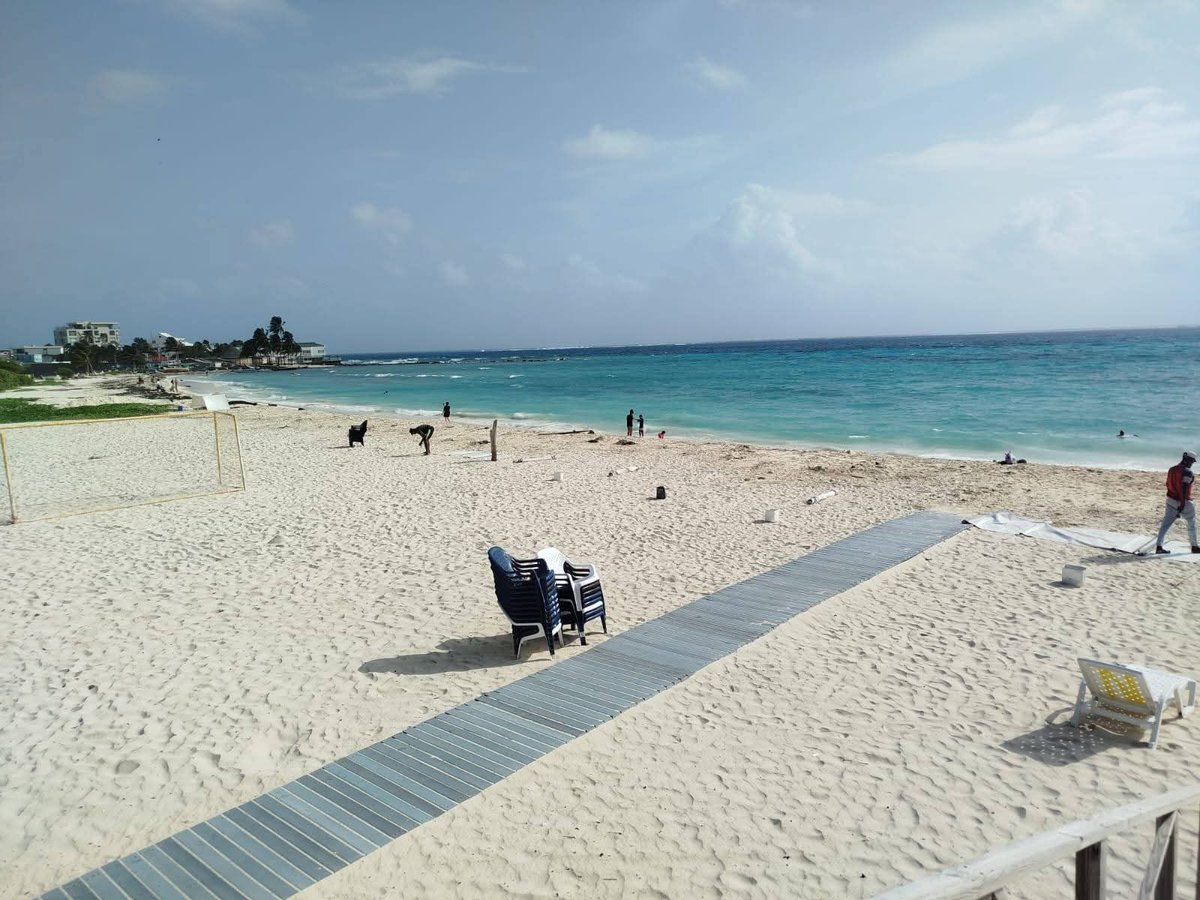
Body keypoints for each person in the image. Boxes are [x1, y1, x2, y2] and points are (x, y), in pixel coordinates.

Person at [1154, 450, 1198, 554]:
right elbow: (1183, 489)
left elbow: (1168, 484)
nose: (1192, 464)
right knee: (1191, 522)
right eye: (1192, 461)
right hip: (1183, 501)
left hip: (1170, 499)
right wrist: (1182, 505)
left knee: (1165, 524)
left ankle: (1159, 547)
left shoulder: (1172, 469)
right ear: (1189, 460)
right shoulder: (1187, 472)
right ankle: (1194, 546)